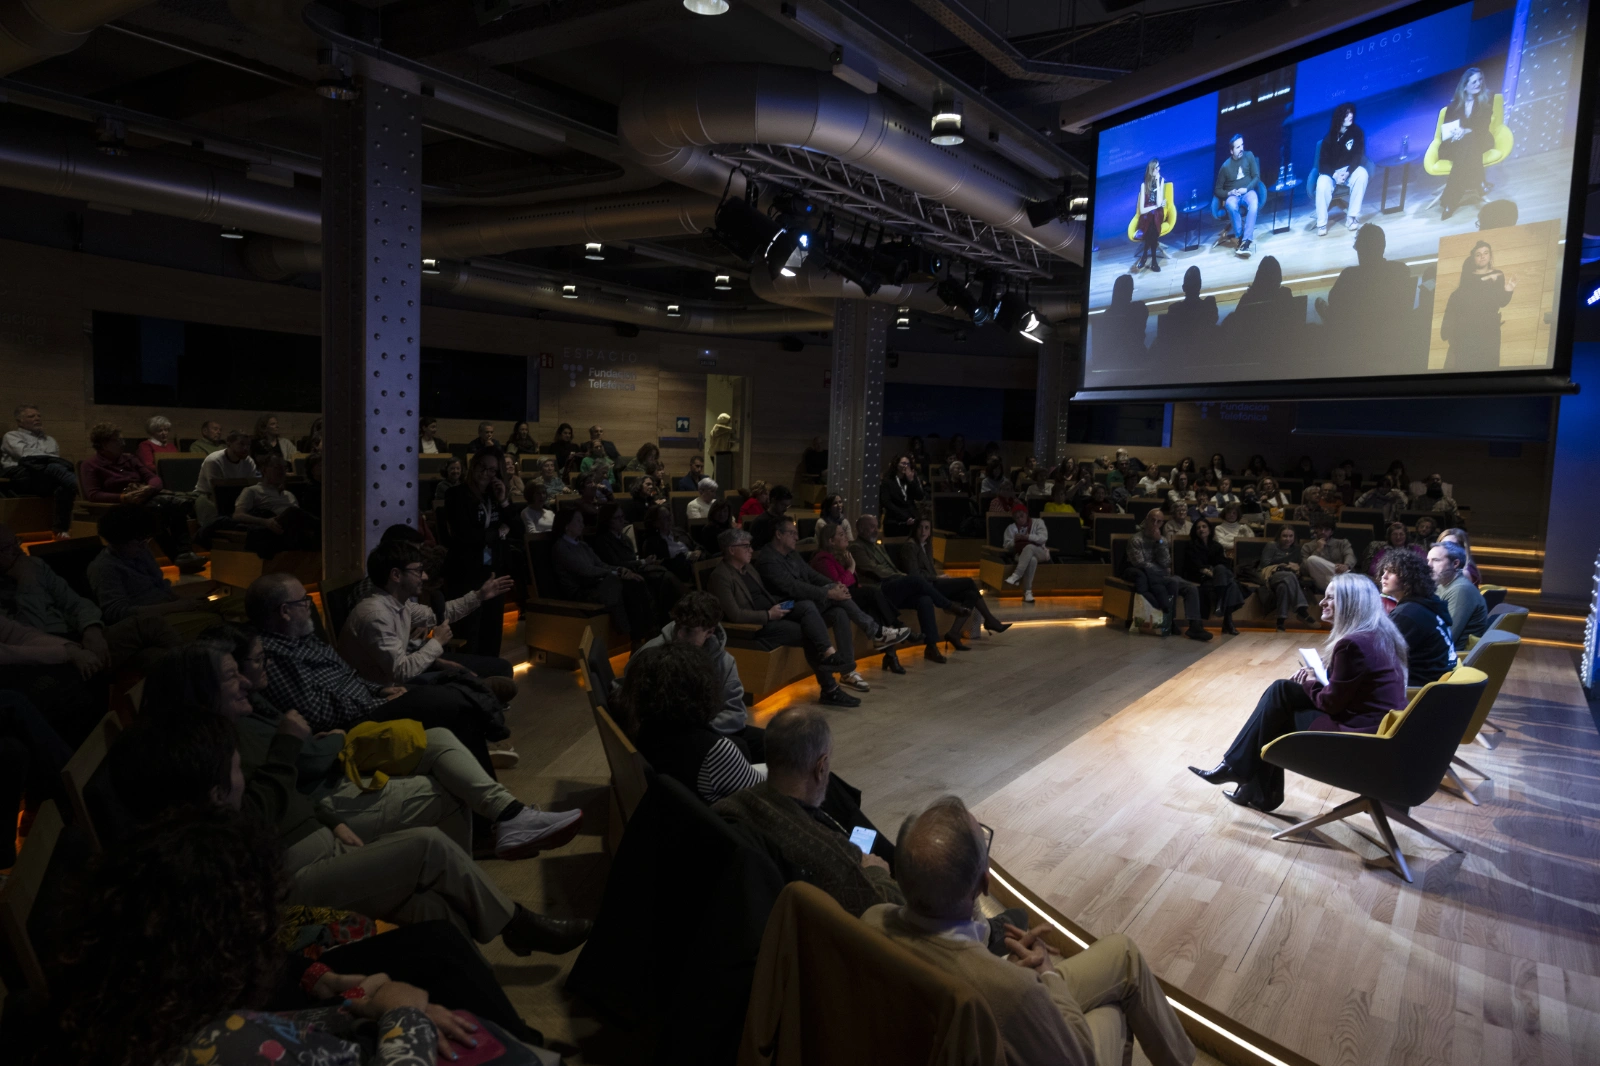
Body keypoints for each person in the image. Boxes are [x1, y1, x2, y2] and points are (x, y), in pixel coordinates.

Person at [25, 807, 513, 1066]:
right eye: (262, 921)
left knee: (433, 930)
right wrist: (403, 1013)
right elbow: (258, 1041)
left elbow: (275, 1034)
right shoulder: (219, 1042)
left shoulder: (140, 1006)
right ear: (226, 940)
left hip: (352, 1027)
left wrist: (354, 1003)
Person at [861, 795, 1196, 1066]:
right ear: (984, 884)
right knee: (1112, 1011)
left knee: (1123, 953)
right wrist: (1046, 975)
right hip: (1008, 1005)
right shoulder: (1011, 989)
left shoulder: (872, 921)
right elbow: (1079, 1057)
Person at [249, 572, 510, 776]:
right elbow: (317, 714)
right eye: (303, 601)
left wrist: (379, 690)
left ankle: (476, 738)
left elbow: (348, 675)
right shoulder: (273, 656)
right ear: (284, 611)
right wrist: (378, 700)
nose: (309, 605)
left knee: (453, 695)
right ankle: (481, 720)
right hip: (356, 721)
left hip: (374, 695)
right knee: (451, 701)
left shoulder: (303, 638)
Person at [1192, 573, 1407, 810]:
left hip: (1358, 737)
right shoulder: (1378, 634)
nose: (1322, 603)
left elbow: (1331, 704)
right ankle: (1246, 780)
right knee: (1281, 690)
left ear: (1351, 603)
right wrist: (1315, 679)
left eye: (1330, 598)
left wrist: (1312, 679)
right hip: (1378, 729)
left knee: (1276, 713)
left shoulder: (1352, 644)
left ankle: (1250, 783)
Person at [714, 707, 903, 917]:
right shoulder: (833, 857)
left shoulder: (729, 805)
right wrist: (876, 872)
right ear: (821, 767)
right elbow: (888, 910)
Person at [707, 527, 858, 707]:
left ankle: (829, 656)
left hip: (775, 608)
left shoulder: (748, 569)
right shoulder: (721, 577)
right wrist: (768, 615)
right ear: (731, 549)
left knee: (810, 605)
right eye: (746, 546)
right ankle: (830, 688)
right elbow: (736, 614)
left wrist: (781, 606)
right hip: (759, 624)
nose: (751, 550)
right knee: (809, 631)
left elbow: (767, 595)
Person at [340, 538, 517, 688]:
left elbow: (441, 613)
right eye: (418, 571)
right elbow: (401, 672)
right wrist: (437, 642)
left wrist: (479, 596)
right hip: (383, 694)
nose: (424, 577)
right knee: (464, 687)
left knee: (500, 668)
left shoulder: (400, 604)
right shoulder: (375, 615)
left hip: (404, 675)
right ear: (396, 575)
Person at [759, 515, 907, 680]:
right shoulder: (768, 559)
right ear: (779, 535)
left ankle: (848, 670)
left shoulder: (791, 554)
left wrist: (835, 586)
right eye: (792, 533)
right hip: (783, 606)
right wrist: (829, 592)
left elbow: (812, 575)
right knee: (842, 595)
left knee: (839, 612)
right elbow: (792, 587)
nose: (797, 537)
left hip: (803, 601)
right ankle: (876, 632)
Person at [634, 591, 755, 746]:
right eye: (678, 626)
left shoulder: (724, 661)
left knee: (766, 741)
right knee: (738, 747)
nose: (679, 635)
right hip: (667, 737)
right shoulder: (651, 653)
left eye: (689, 630)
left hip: (706, 728)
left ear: (710, 632)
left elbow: (736, 713)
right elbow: (629, 701)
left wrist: (702, 729)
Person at [85, 505, 224, 638]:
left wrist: (184, 600)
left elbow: (161, 588)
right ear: (118, 541)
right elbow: (118, 613)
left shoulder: (141, 552)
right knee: (213, 621)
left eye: (146, 540)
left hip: (169, 609)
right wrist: (176, 606)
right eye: (138, 542)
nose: (144, 546)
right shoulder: (104, 567)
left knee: (235, 605)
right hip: (149, 623)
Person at [441, 450, 520, 657]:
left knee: (492, 632)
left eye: (492, 469)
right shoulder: (456, 495)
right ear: (473, 466)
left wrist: (503, 501)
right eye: (482, 467)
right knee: (469, 633)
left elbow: (519, 529)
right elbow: (465, 535)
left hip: (495, 572)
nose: (486, 473)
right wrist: (499, 532)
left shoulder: (496, 495)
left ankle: (490, 678)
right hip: (466, 572)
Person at [551, 505, 657, 645]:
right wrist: (618, 573)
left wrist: (620, 569)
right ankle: (640, 637)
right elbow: (586, 571)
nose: (582, 524)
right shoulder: (561, 547)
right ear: (566, 525)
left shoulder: (582, 545)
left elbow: (600, 564)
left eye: (582, 520)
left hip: (596, 585)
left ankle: (645, 634)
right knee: (628, 583)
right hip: (581, 593)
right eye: (578, 521)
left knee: (635, 582)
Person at [897, 517, 1011, 634]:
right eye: (920, 527)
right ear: (915, 529)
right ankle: (990, 620)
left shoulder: (926, 545)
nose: (923, 531)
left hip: (933, 583)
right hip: (925, 586)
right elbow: (914, 575)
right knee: (969, 582)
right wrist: (937, 578)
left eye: (926, 528)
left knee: (971, 595)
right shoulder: (910, 546)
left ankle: (953, 633)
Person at [1317, 224, 1413, 361]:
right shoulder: (1401, 271)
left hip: (1354, 340)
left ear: (1359, 249)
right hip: (1391, 339)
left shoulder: (1348, 276)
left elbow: (1334, 303)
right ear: (1383, 246)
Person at [1124, 509, 1211, 641]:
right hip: (1150, 577)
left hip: (1164, 575)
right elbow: (1140, 564)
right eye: (1152, 520)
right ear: (1146, 520)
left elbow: (1165, 562)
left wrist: (1158, 542)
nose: (1155, 523)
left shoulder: (1162, 540)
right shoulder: (1136, 539)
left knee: (1191, 588)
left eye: (1159, 521)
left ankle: (1195, 626)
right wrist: (1162, 570)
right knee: (1173, 583)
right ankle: (1170, 620)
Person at [594, 501, 681, 624]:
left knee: (664, 574)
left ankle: (672, 616)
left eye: (622, 517)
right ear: (607, 520)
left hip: (636, 569)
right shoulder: (603, 541)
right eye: (617, 518)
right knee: (665, 577)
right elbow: (616, 564)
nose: (621, 521)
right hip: (622, 575)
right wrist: (643, 562)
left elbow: (632, 558)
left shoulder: (624, 537)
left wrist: (645, 562)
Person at [1379, 549, 1457, 685]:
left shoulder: (1408, 614)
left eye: (1391, 572)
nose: (1384, 576)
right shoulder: (1425, 604)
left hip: (1416, 691)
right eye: (1384, 571)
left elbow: (1380, 656)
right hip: (1433, 685)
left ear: (1408, 578)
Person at [0, 402, 78, 538]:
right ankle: (85, 490)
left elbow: (52, 460)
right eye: (31, 416)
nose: (37, 418)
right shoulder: (12, 436)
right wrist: (47, 459)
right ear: (20, 421)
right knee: (54, 467)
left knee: (63, 485)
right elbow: (25, 456)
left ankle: (61, 530)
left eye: (39, 416)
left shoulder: (50, 440)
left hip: (43, 477)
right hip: (18, 476)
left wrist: (46, 460)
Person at [233, 453, 318, 556]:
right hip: (273, 524)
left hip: (293, 527)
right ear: (264, 470)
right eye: (277, 467)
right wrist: (265, 522)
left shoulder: (288, 494)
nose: (282, 471)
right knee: (293, 511)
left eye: (284, 468)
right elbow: (237, 515)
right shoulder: (252, 491)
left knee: (298, 514)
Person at [1438, 67, 1495, 219]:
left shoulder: (1487, 99)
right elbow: (1446, 132)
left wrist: (1466, 131)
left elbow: (1484, 126)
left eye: (1480, 80)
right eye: (1474, 81)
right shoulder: (1453, 106)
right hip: (1458, 145)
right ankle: (1479, 181)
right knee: (1465, 146)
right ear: (1464, 86)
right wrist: (1457, 133)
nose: (1478, 84)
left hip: (1480, 139)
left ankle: (1450, 201)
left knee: (1468, 142)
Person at [1314, 103, 1369, 235]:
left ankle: (1352, 217)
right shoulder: (1328, 138)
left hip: (1349, 170)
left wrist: (1348, 172)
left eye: (1351, 113)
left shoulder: (1357, 132)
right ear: (1339, 117)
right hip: (1332, 173)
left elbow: (1357, 156)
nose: (1351, 116)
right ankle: (1321, 224)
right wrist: (1334, 175)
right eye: (1346, 114)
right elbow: (1323, 164)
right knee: (1321, 184)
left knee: (1362, 174)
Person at [1183, 518, 1244, 635]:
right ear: (1195, 531)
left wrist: (1216, 572)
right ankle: (1227, 621)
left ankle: (1222, 606)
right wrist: (1210, 571)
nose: (1201, 529)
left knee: (1224, 573)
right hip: (1201, 577)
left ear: (1210, 530)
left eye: (1204, 526)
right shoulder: (1191, 546)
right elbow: (1193, 565)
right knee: (1231, 584)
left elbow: (1224, 563)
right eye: (1198, 527)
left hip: (1218, 577)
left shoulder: (1216, 546)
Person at [194, 429, 261, 526]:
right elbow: (216, 491)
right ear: (229, 444)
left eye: (248, 445)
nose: (246, 448)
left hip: (238, 497)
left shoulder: (248, 461)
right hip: (209, 498)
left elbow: (252, 486)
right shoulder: (214, 460)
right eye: (241, 444)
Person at [1430, 541, 1487, 650]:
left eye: (1436, 560)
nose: (1429, 565)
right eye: (1428, 560)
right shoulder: (1442, 584)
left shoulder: (1461, 589)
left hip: (1453, 658)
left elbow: (1447, 636)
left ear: (1455, 564)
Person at [1255, 525, 1312, 631]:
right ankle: (1302, 611)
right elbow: (1264, 564)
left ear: (1294, 537)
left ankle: (1280, 623)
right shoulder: (1272, 546)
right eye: (1284, 536)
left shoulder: (1296, 550)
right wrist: (1286, 565)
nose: (1288, 539)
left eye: (1291, 536)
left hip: (1286, 579)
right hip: (1270, 575)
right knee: (1289, 576)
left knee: (1283, 587)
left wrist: (1297, 567)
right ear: (1279, 537)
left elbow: (1300, 566)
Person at [1215, 133, 1261, 257]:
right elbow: (1218, 190)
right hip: (1233, 195)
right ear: (1231, 151)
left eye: (1242, 145)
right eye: (1237, 147)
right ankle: (1240, 237)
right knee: (1230, 204)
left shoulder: (1249, 156)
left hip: (1248, 191)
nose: (1241, 149)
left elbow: (1256, 177)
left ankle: (1246, 241)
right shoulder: (1225, 166)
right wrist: (1229, 193)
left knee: (1254, 204)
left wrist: (1246, 189)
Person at [640, 502, 700, 584]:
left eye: (670, 516)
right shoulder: (651, 542)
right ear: (656, 523)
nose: (669, 520)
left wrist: (698, 551)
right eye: (665, 518)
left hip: (696, 564)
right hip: (678, 574)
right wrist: (686, 556)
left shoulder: (679, 531)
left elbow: (695, 545)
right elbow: (658, 566)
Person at [1001, 505, 1051, 604]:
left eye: (1021, 516)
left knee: (1029, 547)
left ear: (1026, 514)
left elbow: (1043, 538)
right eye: (1017, 517)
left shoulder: (1038, 522)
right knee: (1031, 560)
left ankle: (1016, 575)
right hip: (1021, 555)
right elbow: (1006, 546)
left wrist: (1027, 537)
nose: (1020, 519)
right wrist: (1014, 541)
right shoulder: (1011, 528)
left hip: (1040, 552)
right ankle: (1027, 592)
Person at [1300, 512, 1356, 593]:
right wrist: (1318, 550)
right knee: (1311, 560)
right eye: (1320, 529)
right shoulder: (1307, 547)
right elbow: (1304, 569)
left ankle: (1342, 578)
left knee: (1344, 573)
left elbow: (1350, 555)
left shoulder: (1342, 543)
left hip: (1340, 580)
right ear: (1316, 530)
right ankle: (1345, 577)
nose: (1323, 532)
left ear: (1331, 532)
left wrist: (1346, 565)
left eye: (1326, 529)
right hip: (1321, 581)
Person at [1131, 157, 1167, 272]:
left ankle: (1145, 255)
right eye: (1157, 167)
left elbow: (1159, 203)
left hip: (1158, 214)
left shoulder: (1161, 181)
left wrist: (1157, 182)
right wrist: (1155, 206)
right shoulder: (1144, 185)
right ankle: (1154, 262)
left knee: (1153, 218)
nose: (1159, 169)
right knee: (1151, 224)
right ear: (1152, 169)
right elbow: (1142, 210)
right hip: (1146, 215)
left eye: (1159, 167)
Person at [880, 453, 925, 537]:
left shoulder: (911, 478)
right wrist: (905, 517)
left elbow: (920, 497)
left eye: (908, 464)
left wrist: (911, 481)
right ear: (896, 464)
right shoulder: (888, 481)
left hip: (911, 520)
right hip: (894, 520)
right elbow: (887, 503)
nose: (906, 466)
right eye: (903, 463)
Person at [745, 483, 793, 550]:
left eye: (787, 506)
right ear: (773, 501)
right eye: (782, 505)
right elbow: (756, 548)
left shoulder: (784, 520)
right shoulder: (760, 522)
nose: (785, 509)